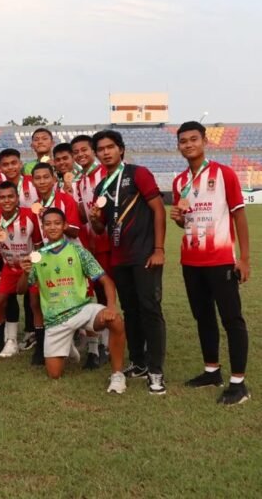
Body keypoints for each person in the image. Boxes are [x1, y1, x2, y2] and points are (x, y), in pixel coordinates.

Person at [170, 121, 251, 405]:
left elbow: (239, 216)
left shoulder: (224, 174)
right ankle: (211, 371)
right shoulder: (179, 181)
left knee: (232, 319)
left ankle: (239, 382)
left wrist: (244, 258)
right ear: (178, 146)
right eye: (183, 141)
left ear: (205, 141)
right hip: (191, 260)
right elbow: (188, 221)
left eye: (194, 139)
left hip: (220, 260)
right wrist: (180, 221)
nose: (189, 145)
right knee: (203, 317)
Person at [89, 130, 167, 395]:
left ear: (121, 149)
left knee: (150, 310)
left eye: (111, 147)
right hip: (119, 258)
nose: (106, 152)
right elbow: (100, 229)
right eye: (101, 149)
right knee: (131, 311)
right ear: (97, 154)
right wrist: (95, 218)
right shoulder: (101, 186)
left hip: (145, 255)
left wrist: (158, 249)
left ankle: (156, 372)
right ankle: (139, 362)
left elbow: (158, 209)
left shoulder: (138, 173)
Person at [18, 208, 127, 394]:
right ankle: (67, 345)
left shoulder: (78, 251)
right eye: (48, 224)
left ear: (65, 226)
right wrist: (24, 272)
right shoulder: (36, 257)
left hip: (82, 310)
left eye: (57, 223)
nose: (52, 227)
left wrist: (111, 307)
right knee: (54, 374)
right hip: (55, 320)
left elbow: (106, 281)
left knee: (115, 321)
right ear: (43, 228)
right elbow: (20, 290)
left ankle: (117, 375)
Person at [0, 181, 41, 357]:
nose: (6, 200)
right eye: (2, 197)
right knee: (0, 302)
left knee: (35, 304)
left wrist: (33, 266)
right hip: (9, 267)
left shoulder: (30, 215)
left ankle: (40, 348)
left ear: (17, 198)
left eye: (10, 197)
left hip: (30, 266)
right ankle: (0, 343)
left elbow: (38, 244)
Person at [72, 135, 111, 369]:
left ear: (93, 151)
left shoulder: (104, 174)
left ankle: (105, 344)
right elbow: (83, 214)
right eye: (76, 152)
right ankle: (96, 345)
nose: (80, 155)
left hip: (107, 242)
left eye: (84, 150)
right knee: (93, 292)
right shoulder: (81, 181)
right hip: (89, 244)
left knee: (107, 292)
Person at [30, 163, 81, 242]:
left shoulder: (67, 199)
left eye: (46, 177)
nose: (42, 182)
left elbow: (75, 233)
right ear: (32, 182)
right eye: (37, 178)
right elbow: (38, 239)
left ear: (54, 179)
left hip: (69, 252)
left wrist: (52, 217)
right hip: (49, 253)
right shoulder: (35, 206)